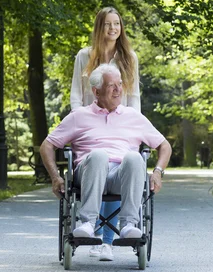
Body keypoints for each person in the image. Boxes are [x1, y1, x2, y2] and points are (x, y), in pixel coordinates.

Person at [40, 64, 171, 252]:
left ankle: (129, 226)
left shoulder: (133, 116)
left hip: (122, 175)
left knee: (134, 158)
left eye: (119, 84)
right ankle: (88, 224)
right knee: (99, 155)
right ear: (96, 91)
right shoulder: (79, 116)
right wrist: (55, 177)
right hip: (88, 173)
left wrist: (158, 172)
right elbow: (47, 145)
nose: (118, 89)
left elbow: (164, 145)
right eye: (111, 85)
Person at [70, 7, 140, 261]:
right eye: (108, 24)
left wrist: (133, 129)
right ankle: (94, 230)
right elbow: (76, 96)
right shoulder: (84, 56)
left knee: (120, 163)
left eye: (117, 24)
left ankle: (108, 240)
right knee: (98, 162)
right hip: (91, 127)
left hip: (120, 125)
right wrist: (81, 123)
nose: (113, 29)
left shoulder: (129, 57)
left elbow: (134, 98)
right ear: (99, 27)